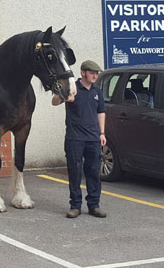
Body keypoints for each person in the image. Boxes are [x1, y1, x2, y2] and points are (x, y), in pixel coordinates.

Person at [52, 60, 107, 219]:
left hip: (93, 139)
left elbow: (101, 112)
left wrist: (102, 133)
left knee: (94, 172)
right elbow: (54, 102)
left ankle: (94, 205)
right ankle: (75, 206)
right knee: (75, 172)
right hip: (75, 138)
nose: (95, 76)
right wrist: (64, 98)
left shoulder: (97, 91)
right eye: (92, 73)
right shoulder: (72, 88)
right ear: (83, 73)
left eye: (96, 73)